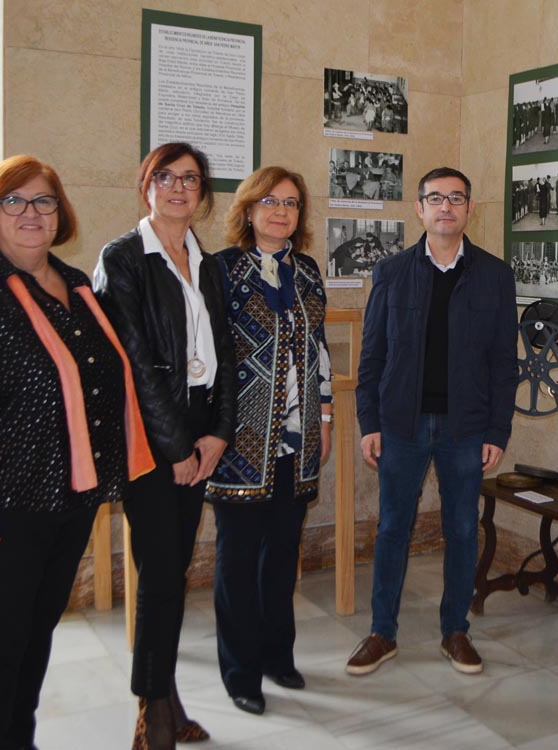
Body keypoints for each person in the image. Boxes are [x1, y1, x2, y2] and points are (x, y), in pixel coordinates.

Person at [0, 155, 153, 750]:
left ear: (60, 212)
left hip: (69, 499)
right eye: (13, 201)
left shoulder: (74, 286)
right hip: (2, 505)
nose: (30, 213)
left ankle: (20, 739)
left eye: (43, 201)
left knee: (37, 633)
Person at [347, 167, 517, 677]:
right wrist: (369, 421)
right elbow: (372, 355)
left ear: (469, 209)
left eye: (456, 198)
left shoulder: (494, 275)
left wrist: (497, 430)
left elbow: (503, 364)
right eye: (435, 198)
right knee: (393, 529)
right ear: (419, 209)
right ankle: (382, 631)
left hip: (466, 429)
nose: (446, 206)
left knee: (463, 530)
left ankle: (455, 630)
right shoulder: (393, 272)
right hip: (402, 423)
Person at [93, 142, 236, 750]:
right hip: (150, 432)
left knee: (173, 569)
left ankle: (166, 693)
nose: (180, 189)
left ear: (202, 195)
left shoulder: (208, 262)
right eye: (167, 177)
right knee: (157, 571)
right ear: (146, 185)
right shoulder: (123, 258)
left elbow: (227, 357)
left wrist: (218, 434)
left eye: (191, 180)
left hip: (200, 426)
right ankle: (152, 707)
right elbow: (131, 365)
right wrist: (175, 445)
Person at [204, 167, 333, 716]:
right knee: (237, 560)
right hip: (238, 442)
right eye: (270, 203)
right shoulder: (222, 270)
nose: (281, 213)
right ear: (249, 210)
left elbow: (320, 348)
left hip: (297, 443)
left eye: (291, 204)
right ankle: (241, 672)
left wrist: (324, 418)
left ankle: (279, 656)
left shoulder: (305, 271)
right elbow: (206, 355)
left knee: (282, 554)